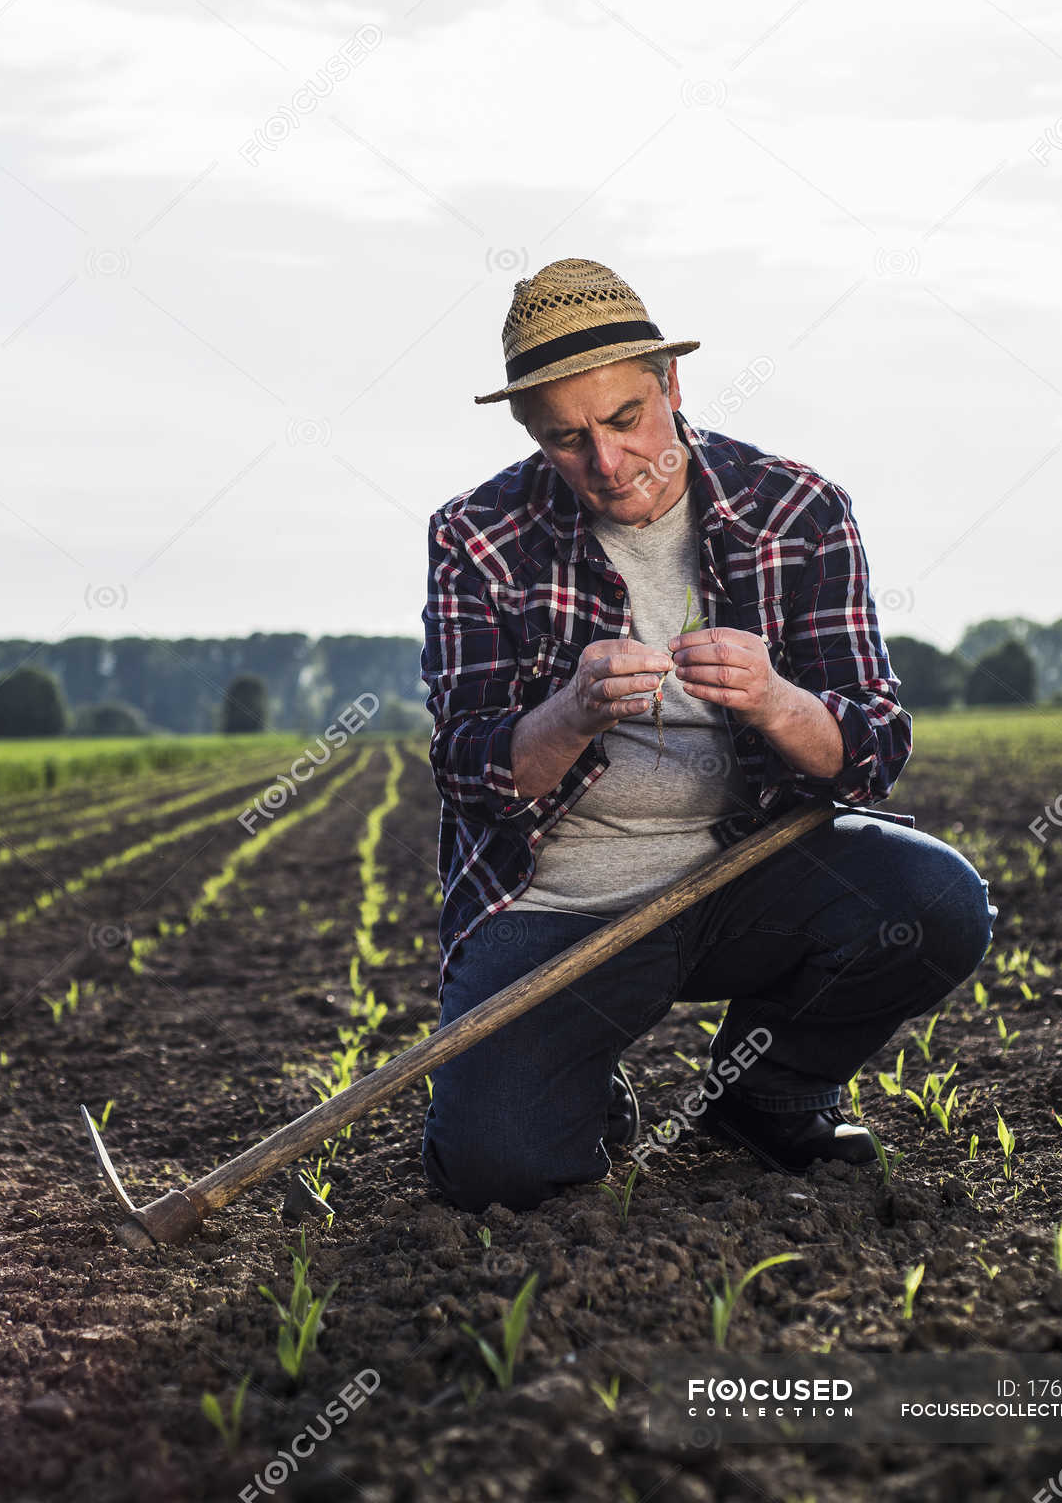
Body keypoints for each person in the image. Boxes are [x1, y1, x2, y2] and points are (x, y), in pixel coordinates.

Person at [419, 257, 994, 1211]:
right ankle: (578, 1086)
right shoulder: (476, 536)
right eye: (566, 440)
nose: (606, 463)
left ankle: (765, 1095)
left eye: (622, 420)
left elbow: (873, 752)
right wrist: (567, 713)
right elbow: (470, 773)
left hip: (741, 876)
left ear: (671, 387)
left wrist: (774, 702)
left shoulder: (795, 509)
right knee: (497, 1172)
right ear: (530, 434)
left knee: (931, 898)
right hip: (558, 910)